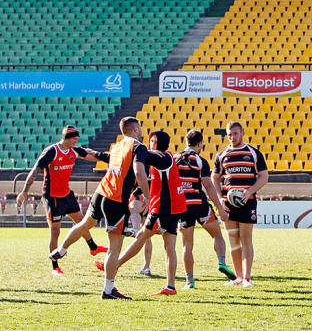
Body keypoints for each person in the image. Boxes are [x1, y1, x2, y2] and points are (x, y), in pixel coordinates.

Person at [48, 116, 169, 299]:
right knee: (115, 247)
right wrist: (148, 196)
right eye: (140, 128)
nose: (142, 132)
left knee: (84, 225)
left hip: (101, 192)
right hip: (116, 199)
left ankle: (61, 249)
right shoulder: (138, 147)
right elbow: (138, 171)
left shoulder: (117, 146)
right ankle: (108, 289)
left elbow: (101, 156)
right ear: (135, 129)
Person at [98, 131, 186, 296]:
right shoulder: (163, 158)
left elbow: (142, 158)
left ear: (160, 143)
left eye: (153, 141)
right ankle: (170, 287)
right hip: (172, 208)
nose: (150, 143)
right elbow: (152, 180)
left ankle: (115, 265)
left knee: (141, 238)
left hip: (163, 208)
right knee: (169, 247)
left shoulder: (164, 158)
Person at [16, 125, 108, 275]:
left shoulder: (74, 151)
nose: (75, 142)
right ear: (66, 138)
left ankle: (93, 247)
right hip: (52, 197)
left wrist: (110, 159)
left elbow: (91, 154)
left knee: (82, 222)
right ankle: (55, 267)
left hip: (67, 194)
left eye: (77, 140)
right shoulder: (52, 151)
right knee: (55, 231)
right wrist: (24, 191)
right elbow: (35, 171)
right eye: (74, 139)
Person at [175, 129, 236, 287]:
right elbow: (208, 185)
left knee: (187, 246)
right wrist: (220, 209)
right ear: (200, 143)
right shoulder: (200, 161)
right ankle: (221, 262)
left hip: (182, 206)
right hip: (199, 204)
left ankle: (190, 281)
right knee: (217, 235)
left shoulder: (175, 159)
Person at [213, 121, 269, 288]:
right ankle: (237, 277)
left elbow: (264, 177)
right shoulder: (221, 155)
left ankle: (247, 277)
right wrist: (220, 198)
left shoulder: (253, 153)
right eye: (229, 134)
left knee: (246, 240)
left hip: (247, 203)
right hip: (228, 205)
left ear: (242, 133)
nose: (232, 137)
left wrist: (249, 191)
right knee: (233, 241)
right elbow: (215, 178)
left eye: (235, 134)